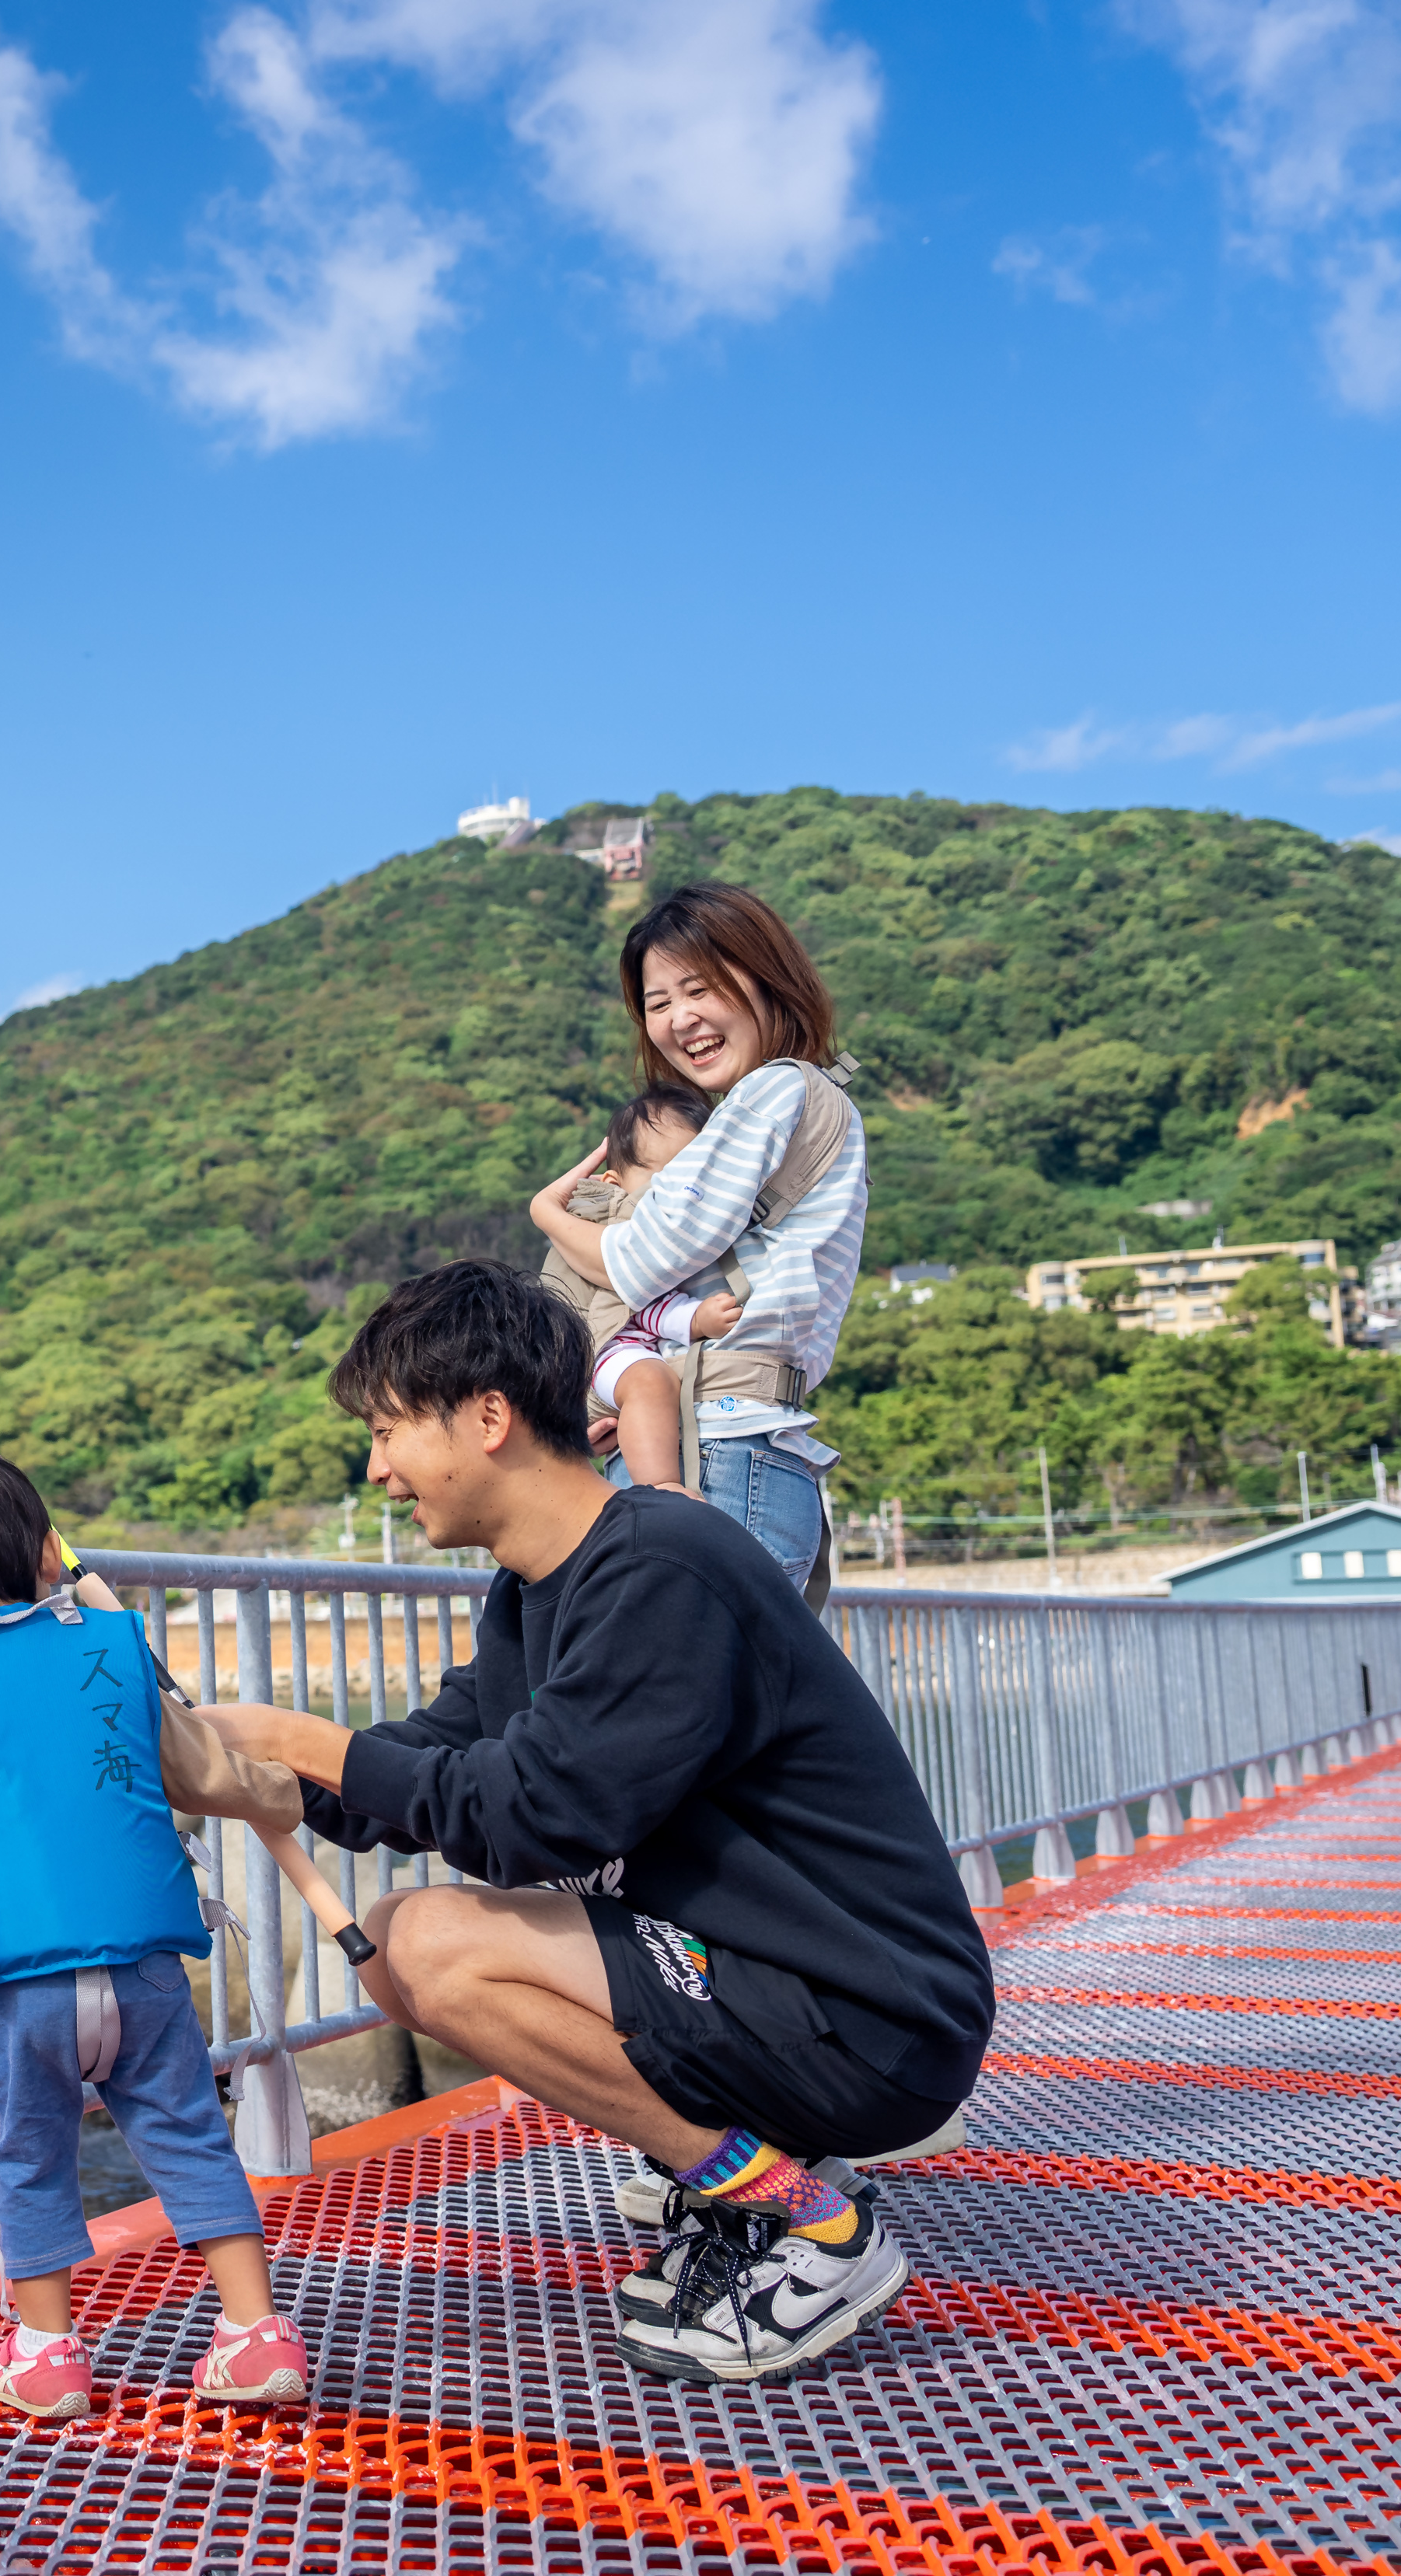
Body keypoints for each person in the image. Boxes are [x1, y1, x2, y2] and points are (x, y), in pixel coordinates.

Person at [201, 1262, 993, 2383]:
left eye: (387, 1431)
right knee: (401, 1944)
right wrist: (252, 1769)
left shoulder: (667, 1563)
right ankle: (757, 2190)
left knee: (422, 1941)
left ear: (487, 1418)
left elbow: (538, 1816)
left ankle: (817, 2225)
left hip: (872, 2015)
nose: (376, 1469)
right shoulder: (539, 1588)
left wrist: (297, 1738)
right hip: (770, 1981)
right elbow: (443, 1758)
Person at [0, 1444, 313, 2420]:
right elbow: (202, 1773)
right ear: (44, 1551)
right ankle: (255, 2334)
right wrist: (292, 1791)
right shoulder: (107, 1646)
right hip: (143, 1967)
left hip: (19, 1988)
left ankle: (47, 2354)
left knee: (28, 2154)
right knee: (190, 2134)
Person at [529, 883, 866, 1587]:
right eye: (658, 1004)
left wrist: (550, 1215)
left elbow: (639, 1263)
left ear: (766, 977)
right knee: (729, 1690)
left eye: (701, 989)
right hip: (733, 1442)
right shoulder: (788, 1102)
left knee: (684, 1685)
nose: (682, 1019)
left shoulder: (776, 1090)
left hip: (717, 1450)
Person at [547, 1084, 742, 1491]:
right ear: (615, 1183)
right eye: (666, 1179)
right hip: (603, 1352)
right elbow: (638, 1299)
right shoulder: (611, 1221)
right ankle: (663, 1487)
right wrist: (696, 1318)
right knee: (651, 1381)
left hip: (604, 1362)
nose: (685, 1194)